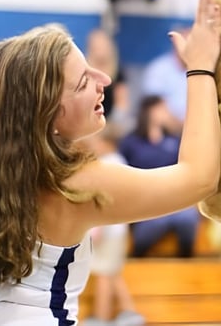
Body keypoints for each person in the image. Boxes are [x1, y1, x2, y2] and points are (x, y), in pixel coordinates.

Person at [0, 0, 221, 324]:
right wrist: (201, 67)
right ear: (46, 114)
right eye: (83, 82)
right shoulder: (70, 187)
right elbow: (199, 178)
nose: (104, 80)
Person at [119, 95, 201, 258]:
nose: (167, 112)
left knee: (188, 217)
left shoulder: (174, 140)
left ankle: (187, 260)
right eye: (162, 108)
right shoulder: (130, 142)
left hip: (174, 202)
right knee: (154, 223)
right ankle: (137, 257)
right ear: (150, 111)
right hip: (143, 204)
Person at [81, 125, 143, 326]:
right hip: (116, 230)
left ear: (107, 143)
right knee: (112, 272)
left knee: (104, 273)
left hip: (108, 230)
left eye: (96, 142)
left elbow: (104, 200)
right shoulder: (118, 162)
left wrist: (96, 228)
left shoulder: (107, 165)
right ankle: (129, 311)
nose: (93, 147)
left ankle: (101, 317)